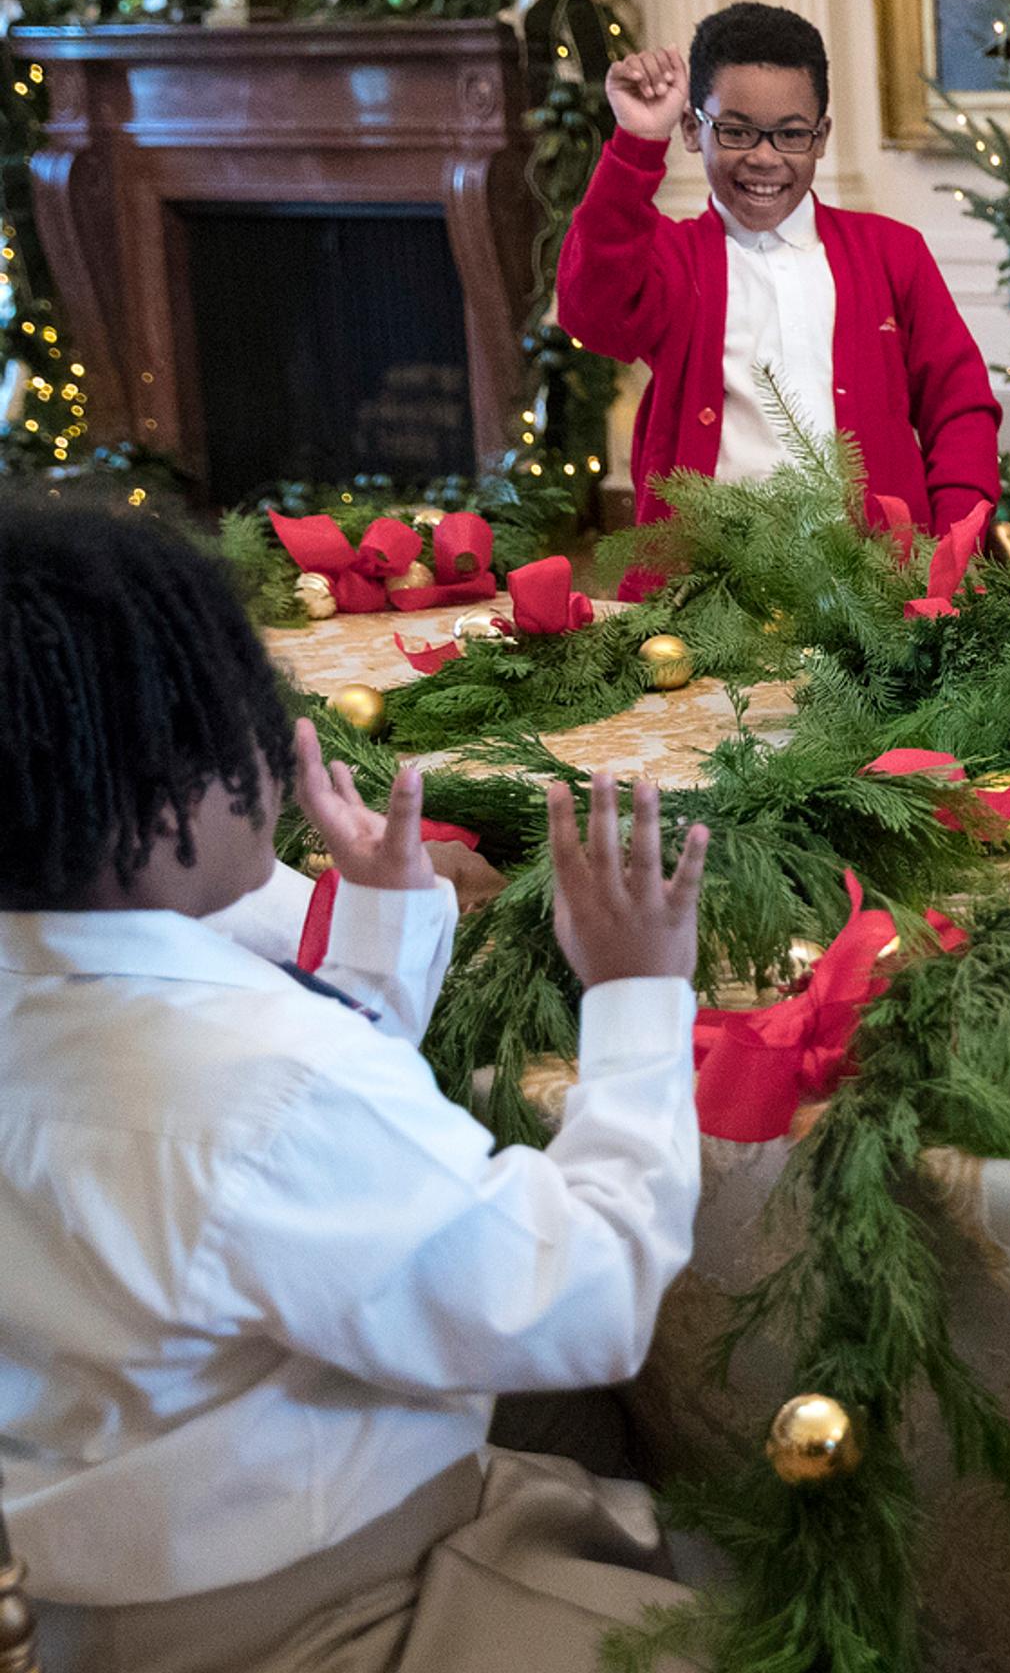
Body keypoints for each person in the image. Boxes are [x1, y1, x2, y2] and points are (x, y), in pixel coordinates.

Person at [0, 501, 714, 1673]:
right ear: (164, 808)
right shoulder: (259, 1084)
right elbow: (581, 1297)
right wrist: (636, 997)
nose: (282, 748)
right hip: (329, 1610)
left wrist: (380, 925)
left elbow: (278, 1208)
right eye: (244, 732)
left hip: (84, 1609)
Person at [556, 1, 1000, 596]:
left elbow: (959, 407)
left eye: (791, 134)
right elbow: (593, 312)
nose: (764, 157)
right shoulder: (672, 258)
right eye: (735, 131)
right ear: (693, 129)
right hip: (703, 592)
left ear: (821, 138)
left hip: (872, 593)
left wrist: (950, 551)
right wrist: (638, 140)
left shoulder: (893, 254)